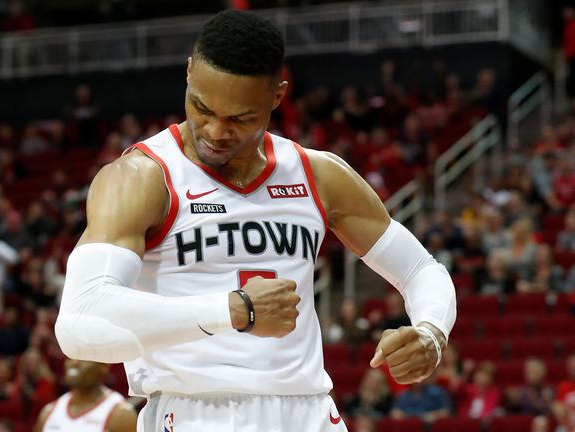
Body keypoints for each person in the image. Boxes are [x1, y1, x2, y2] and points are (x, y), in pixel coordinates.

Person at [54, 10, 456, 431]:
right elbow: (82, 317)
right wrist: (233, 310)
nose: (215, 130)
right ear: (189, 73)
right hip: (196, 411)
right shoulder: (142, 177)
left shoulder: (318, 174)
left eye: (240, 118)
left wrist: (431, 332)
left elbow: (420, 269)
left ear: (277, 96)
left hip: (310, 411)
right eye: (201, 108)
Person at [34, 358, 136, 432]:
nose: (75, 363)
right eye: (70, 357)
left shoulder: (121, 414)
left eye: (83, 359)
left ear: (103, 366)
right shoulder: (48, 412)